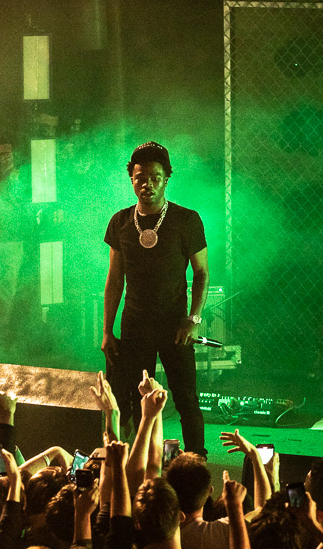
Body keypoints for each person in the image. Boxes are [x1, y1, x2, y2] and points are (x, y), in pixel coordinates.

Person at [101, 141, 209, 456]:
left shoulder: (186, 220)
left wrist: (194, 319)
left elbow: (201, 273)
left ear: (166, 178)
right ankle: (138, 462)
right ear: (131, 178)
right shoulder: (120, 222)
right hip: (134, 326)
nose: (146, 184)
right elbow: (114, 279)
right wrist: (108, 331)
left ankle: (196, 462)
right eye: (139, 177)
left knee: (187, 398)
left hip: (175, 325)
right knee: (133, 399)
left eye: (155, 177)